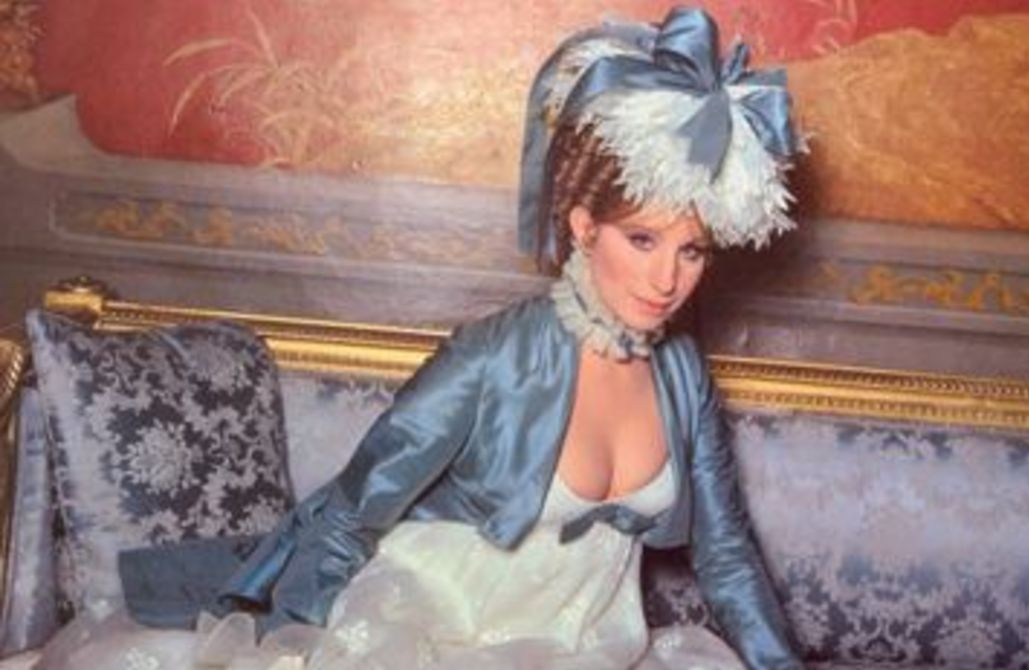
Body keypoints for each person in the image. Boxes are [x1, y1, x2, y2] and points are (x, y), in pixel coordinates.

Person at [35, 7, 805, 669]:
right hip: (428, 629)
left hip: (581, 647)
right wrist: (294, 644)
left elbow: (726, 554)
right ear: (583, 226)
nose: (667, 279)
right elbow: (353, 509)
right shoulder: (493, 355)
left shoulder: (682, 376)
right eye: (642, 240)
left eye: (692, 250)